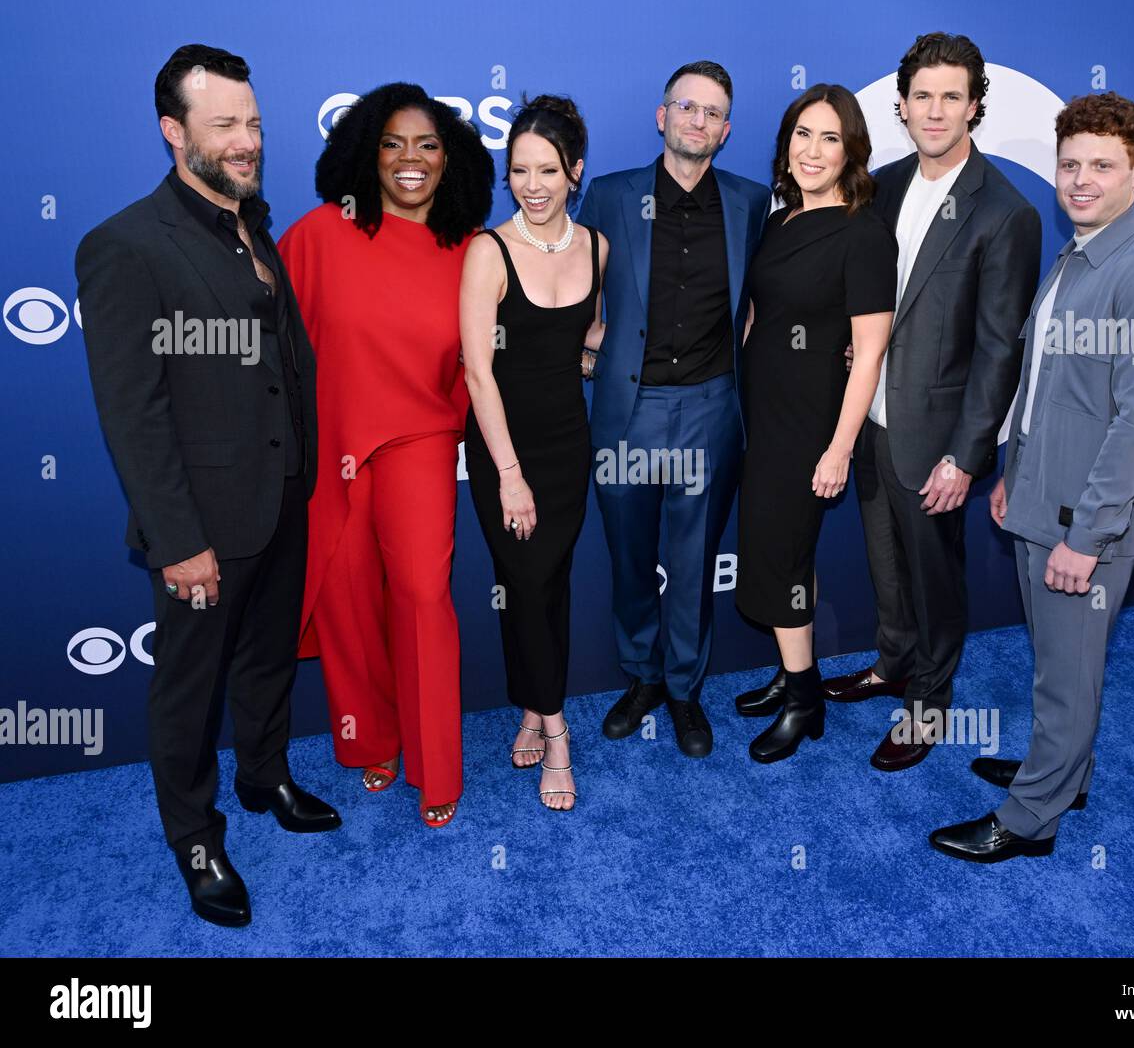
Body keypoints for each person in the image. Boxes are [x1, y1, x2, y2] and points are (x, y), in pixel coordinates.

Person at [77, 44, 339, 928]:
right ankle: (195, 838)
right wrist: (179, 539)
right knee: (188, 694)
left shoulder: (250, 222)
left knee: (267, 662)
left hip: (281, 497)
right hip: (201, 525)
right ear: (172, 131)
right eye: (224, 123)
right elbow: (134, 414)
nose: (247, 139)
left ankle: (265, 777)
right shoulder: (124, 247)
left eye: (254, 122)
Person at [930, 92, 1134, 862]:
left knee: (1069, 675)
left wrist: (1088, 536)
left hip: (1087, 523)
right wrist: (1014, 469)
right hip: (1041, 499)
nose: (1082, 179)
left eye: (1103, 166)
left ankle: (1030, 818)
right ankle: (1062, 771)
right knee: (1057, 662)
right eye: (1071, 163)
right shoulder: (1077, 254)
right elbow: (1049, 385)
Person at [816, 33, 1042, 772]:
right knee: (886, 564)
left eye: (952, 96)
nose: (936, 110)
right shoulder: (879, 187)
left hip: (938, 438)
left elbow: (1000, 348)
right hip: (872, 420)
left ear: (975, 105)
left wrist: (967, 454)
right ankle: (892, 662)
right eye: (923, 96)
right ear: (902, 106)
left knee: (935, 577)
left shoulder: (1005, 212)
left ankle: (931, 703)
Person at [278, 83, 493, 829]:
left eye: (428, 145)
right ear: (365, 153)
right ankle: (373, 736)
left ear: (451, 159)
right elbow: (276, 350)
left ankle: (437, 764)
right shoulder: (316, 235)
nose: (410, 159)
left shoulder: (469, 246)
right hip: (333, 442)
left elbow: (496, 356)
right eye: (393, 143)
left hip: (421, 440)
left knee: (422, 597)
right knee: (347, 600)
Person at [577, 61, 771, 757]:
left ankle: (686, 691)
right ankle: (642, 677)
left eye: (712, 111)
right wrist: (585, 354)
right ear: (662, 116)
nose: (698, 120)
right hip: (627, 408)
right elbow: (579, 293)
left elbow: (766, 304)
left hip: (711, 408)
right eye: (686, 106)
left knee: (692, 563)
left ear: (726, 129)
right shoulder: (611, 194)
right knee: (630, 558)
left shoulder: (750, 202)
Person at [734, 85, 895, 763]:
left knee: (780, 553)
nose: (813, 150)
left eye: (830, 138)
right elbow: (756, 316)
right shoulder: (781, 219)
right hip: (762, 416)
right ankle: (790, 668)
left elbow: (870, 352)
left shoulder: (863, 231)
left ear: (851, 150)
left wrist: (838, 447)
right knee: (786, 554)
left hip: (810, 425)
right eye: (803, 134)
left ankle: (806, 703)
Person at [461, 95, 606, 811]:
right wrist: (510, 476)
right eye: (519, 170)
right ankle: (556, 733)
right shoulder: (487, 251)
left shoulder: (598, 247)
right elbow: (478, 371)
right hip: (501, 451)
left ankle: (529, 703)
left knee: (546, 584)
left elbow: (581, 350)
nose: (534, 184)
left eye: (548, 169)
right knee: (525, 580)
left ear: (575, 171)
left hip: (566, 446)